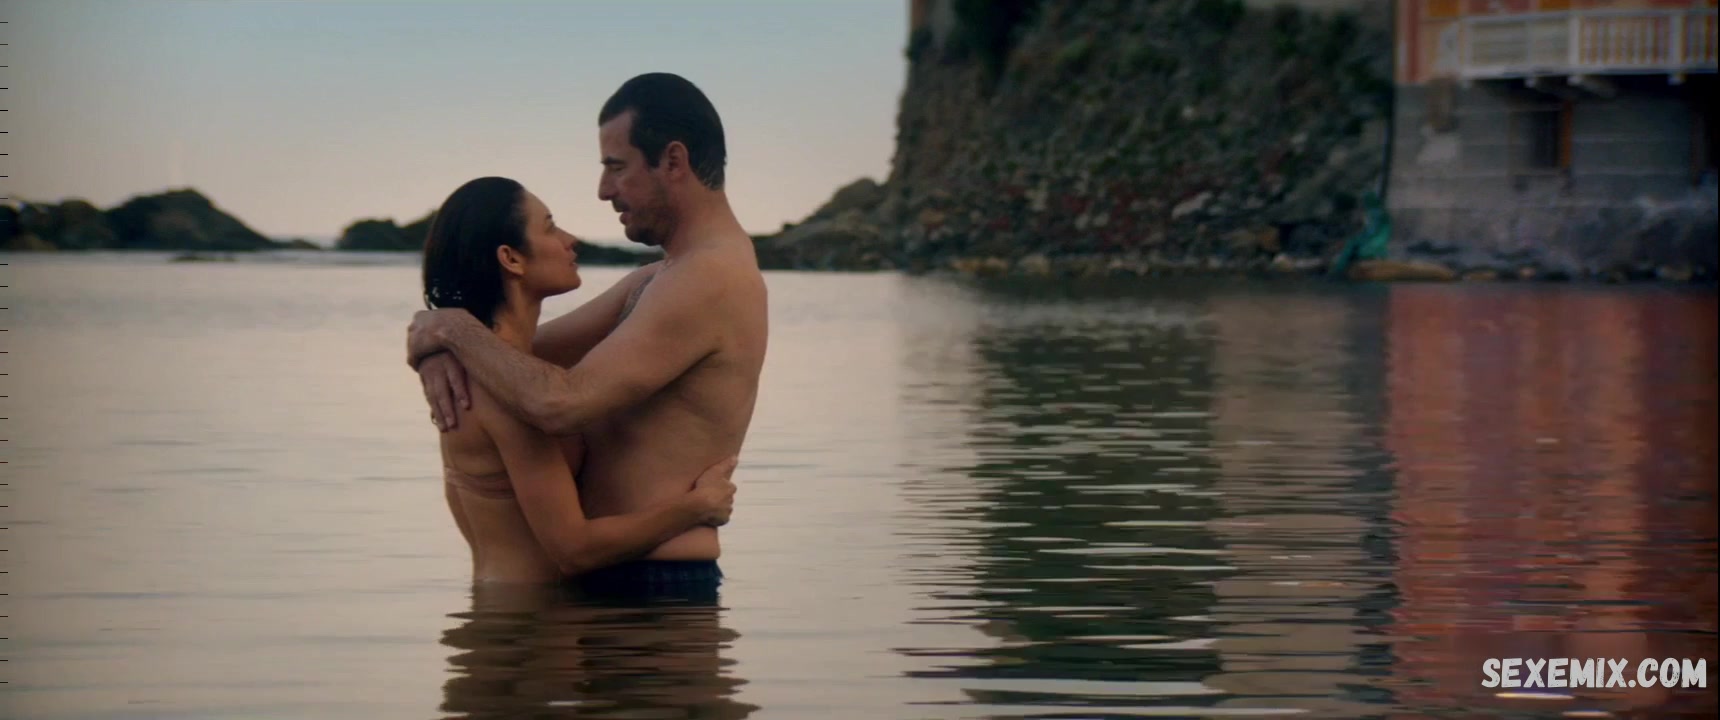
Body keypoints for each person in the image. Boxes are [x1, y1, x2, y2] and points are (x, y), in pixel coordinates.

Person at [409, 73, 769, 600]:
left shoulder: (709, 278)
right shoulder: (659, 278)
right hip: (615, 583)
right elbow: (511, 356)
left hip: (658, 591)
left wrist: (451, 328)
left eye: (616, 167)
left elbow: (558, 402)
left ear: (673, 161)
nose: (603, 190)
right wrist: (434, 341)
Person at [417, 175, 739, 587]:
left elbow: (672, 277)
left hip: (501, 612)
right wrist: (696, 507)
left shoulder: (487, 367)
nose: (571, 240)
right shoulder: (511, 392)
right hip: (530, 621)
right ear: (511, 259)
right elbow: (575, 550)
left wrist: (439, 331)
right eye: (550, 227)